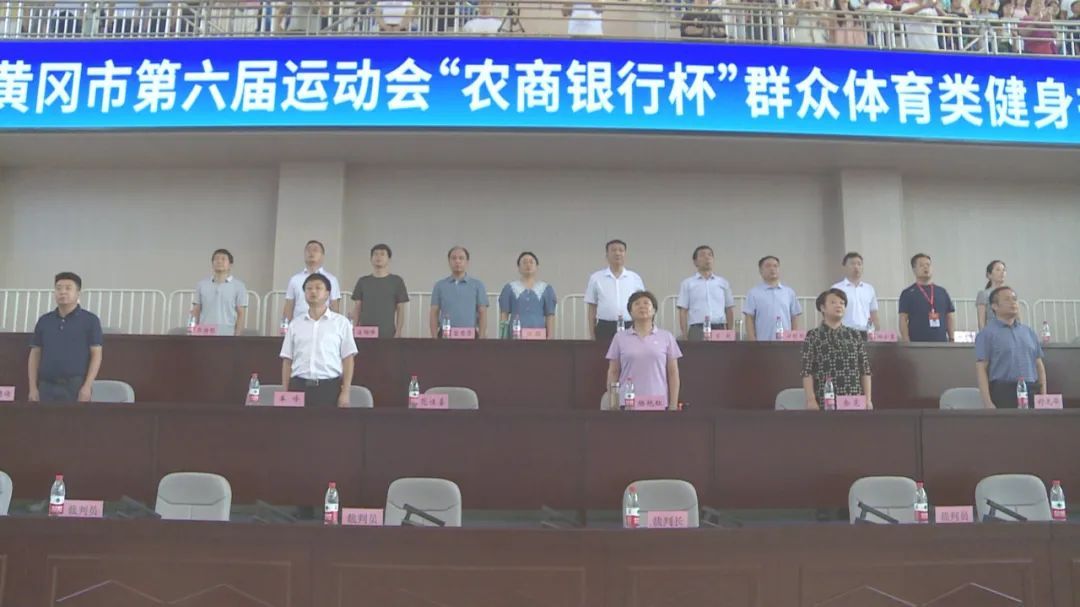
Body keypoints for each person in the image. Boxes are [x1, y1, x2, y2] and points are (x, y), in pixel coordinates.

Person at [280, 273, 357, 408]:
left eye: (318, 288)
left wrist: (346, 392)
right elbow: (287, 360)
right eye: (309, 288)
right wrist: (285, 392)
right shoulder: (295, 324)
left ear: (327, 294)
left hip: (329, 387)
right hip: (298, 386)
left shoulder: (341, 323)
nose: (313, 292)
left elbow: (348, 359)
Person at [27, 272, 104, 403]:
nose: (62, 292)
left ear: (78, 293)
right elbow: (35, 354)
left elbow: (96, 355)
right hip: (46, 385)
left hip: (75, 386)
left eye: (68, 288)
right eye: (58, 288)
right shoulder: (45, 320)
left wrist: (87, 386)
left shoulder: (90, 320)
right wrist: (33, 388)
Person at [606, 291, 682, 410]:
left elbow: (673, 373)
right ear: (630, 312)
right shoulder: (619, 337)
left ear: (654, 310)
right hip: (628, 403)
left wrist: (673, 405)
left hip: (657, 403)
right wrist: (613, 403)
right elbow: (613, 372)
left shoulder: (666, 337)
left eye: (646, 303)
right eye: (637, 304)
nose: (642, 306)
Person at [800, 289, 873, 410]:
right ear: (822, 308)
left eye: (842, 303)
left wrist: (868, 399)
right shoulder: (813, 335)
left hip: (854, 401)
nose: (839, 305)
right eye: (833, 302)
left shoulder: (854, 334)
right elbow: (806, 371)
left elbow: (865, 369)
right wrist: (811, 400)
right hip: (825, 402)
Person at [975, 286, 1047, 408]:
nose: (1013, 302)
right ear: (994, 306)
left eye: (1014, 299)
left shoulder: (1028, 331)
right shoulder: (986, 334)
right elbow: (981, 369)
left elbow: (1039, 365)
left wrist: (1043, 396)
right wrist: (988, 403)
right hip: (1003, 391)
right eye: (1007, 299)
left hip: (1031, 389)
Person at [585, 240, 646, 341]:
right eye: (613, 250)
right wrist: (592, 334)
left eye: (621, 250)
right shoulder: (596, 278)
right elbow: (592, 307)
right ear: (607, 255)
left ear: (625, 254)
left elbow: (642, 304)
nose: (617, 253)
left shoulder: (635, 278)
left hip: (630, 325)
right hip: (605, 326)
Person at [350, 244, 409, 339]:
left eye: (382, 254)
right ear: (371, 259)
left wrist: (398, 331)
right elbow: (357, 308)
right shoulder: (363, 281)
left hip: (388, 333)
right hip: (365, 333)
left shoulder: (396, 281)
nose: (378, 257)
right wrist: (354, 329)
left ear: (389, 259)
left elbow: (400, 309)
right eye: (375, 254)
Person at [677, 245, 735, 340]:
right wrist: (684, 335)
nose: (707, 257)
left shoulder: (723, 282)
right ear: (695, 262)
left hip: (719, 327)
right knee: (698, 350)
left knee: (721, 350)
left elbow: (729, 309)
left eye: (710, 255)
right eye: (702, 255)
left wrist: (729, 332)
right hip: (697, 328)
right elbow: (683, 311)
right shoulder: (687, 283)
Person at [430, 246, 489, 338]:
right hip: (445, 335)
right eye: (454, 258)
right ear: (449, 261)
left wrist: (481, 338)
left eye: (461, 258)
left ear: (467, 262)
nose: (457, 261)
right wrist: (434, 338)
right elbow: (434, 312)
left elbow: (483, 313)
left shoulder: (478, 285)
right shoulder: (439, 285)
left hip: (470, 335)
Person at [898, 253, 956, 342]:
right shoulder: (907, 293)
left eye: (928, 265)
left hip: (941, 342)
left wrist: (952, 338)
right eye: (921, 265)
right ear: (914, 270)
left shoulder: (942, 292)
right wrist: (906, 341)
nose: (926, 267)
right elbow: (903, 319)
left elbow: (949, 316)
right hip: (917, 343)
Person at [498, 251, 557, 337]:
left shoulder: (546, 288)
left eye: (531, 262)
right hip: (515, 335)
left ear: (537, 267)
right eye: (524, 262)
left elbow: (550, 315)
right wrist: (503, 337)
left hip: (539, 335)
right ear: (519, 267)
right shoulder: (509, 288)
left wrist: (550, 337)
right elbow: (504, 314)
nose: (528, 265)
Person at [743, 256, 802, 341]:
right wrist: (752, 341)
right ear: (760, 271)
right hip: (762, 342)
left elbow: (794, 317)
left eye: (775, 266)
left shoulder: (789, 292)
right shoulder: (753, 293)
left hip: (786, 343)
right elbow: (749, 318)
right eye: (768, 266)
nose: (772, 269)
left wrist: (794, 340)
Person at [192, 248, 249, 336]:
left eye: (223, 259)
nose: (219, 261)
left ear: (230, 264)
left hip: (228, 332)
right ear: (212, 264)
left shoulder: (239, 286)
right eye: (216, 259)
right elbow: (196, 311)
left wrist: (237, 336)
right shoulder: (201, 284)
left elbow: (241, 314)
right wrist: (193, 334)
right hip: (205, 331)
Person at [283, 240, 342, 322]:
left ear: (322, 256)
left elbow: (334, 306)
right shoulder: (295, 279)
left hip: (324, 323)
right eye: (308, 250)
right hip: (299, 323)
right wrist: (285, 326)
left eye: (315, 250)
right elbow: (289, 306)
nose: (311, 253)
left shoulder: (331, 279)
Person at [831, 252, 880, 334]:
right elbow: (831, 314)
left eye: (859, 264)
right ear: (844, 267)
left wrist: (876, 331)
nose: (856, 267)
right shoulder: (836, 288)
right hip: (844, 333)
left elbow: (873, 313)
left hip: (867, 332)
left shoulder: (869, 289)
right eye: (852, 264)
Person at [976, 259, 1007, 330]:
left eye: (1004, 270)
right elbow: (981, 321)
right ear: (989, 275)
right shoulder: (984, 294)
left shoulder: (1010, 293)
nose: (1002, 272)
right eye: (998, 270)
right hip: (993, 332)